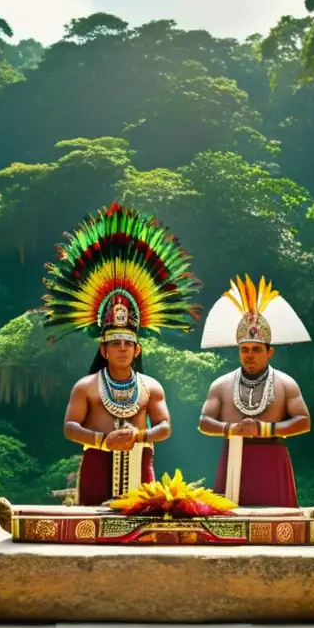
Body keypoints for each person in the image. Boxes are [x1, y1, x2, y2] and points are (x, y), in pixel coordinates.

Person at [44, 203, 201, 506]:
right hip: (96, 465)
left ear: (137, 348)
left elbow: (165, 427)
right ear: (103, 348)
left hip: (140, 463)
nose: (122, 349)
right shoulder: (86, 386)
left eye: (128, 344)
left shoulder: (151, 387)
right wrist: (104, 441)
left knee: (142, 536)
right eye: (115, 344)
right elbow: (70, 427)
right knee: (93, 534)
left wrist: (138, 437)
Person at [198, 276, 311, 507]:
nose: (249, 354)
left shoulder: (286, 383)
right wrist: (233, 428)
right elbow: (204, 422)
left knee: (277, 529)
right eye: (244, 349)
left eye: (256, 349)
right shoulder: (221, 385)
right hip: (234, 458)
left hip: (273, 458)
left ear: (269, 353)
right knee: (231, 529)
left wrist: (264, 429)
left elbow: (304, 422)